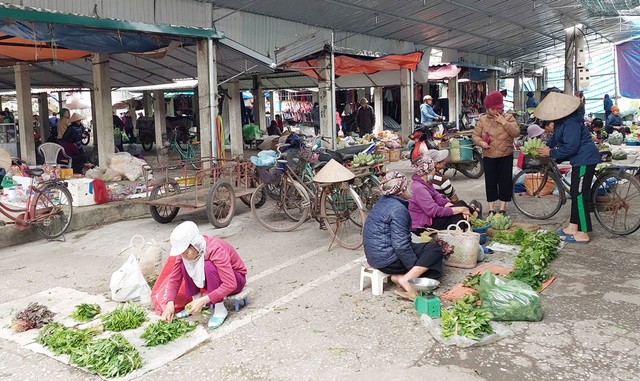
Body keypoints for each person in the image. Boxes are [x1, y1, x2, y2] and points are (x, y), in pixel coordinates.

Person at [362, 171, 445, 300]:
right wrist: (413, 268)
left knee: (426, 258)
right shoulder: (398, 209)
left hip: (375, 258)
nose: (410, 188)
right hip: (387, 260)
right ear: (401, 190)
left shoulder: (382, 203)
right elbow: (400, 246)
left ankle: (399, 277)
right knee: (434, 250)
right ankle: (407, 279)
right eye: (407, 186)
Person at [535, 92, 601, 244]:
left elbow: (571, 147)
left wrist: (551, 152)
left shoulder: (571, 122)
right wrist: (547, 145)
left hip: (585, 159)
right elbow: (556, 138)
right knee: (575, 192)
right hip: (578, 160)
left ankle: (583, 232)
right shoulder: (561, 122)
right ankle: (572, 226)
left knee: (580, 196)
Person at [161, 221, 247, 329]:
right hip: (216, 281)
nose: (184, 256)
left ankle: (220, 309)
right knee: (184, 264)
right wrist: (169, 304)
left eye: (186, 252)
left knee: (208, 266)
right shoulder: (184, 254)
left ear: (195, 244)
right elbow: (174, 279)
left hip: (236, 279)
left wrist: (204, 300)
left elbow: (230, 284)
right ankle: (194, 303)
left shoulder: (215, 249)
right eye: (181, 253)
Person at [472, 91, 520, 216]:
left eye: (498, 109)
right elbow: (475, 136)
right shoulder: (482, 120)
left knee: (505, 182)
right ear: (488, 108)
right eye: (493, 109)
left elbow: (515, 133)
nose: (495, 111)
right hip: (489, 155)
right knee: (491, 182)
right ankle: (491, 208)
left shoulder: (508, 117)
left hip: (506, 154)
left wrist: (503, 122)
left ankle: (503, 208)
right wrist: (481, 143)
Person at [408, 154, 479, 233]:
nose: (435, 171)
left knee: (460, 204)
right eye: (433, 168)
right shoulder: (419, 188)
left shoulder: (427, 182)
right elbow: (433, 211)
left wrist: (460, 208)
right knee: (457, 215)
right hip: (423, 224)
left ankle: (468, 224)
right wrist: (460, 210)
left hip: (431, 217)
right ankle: (461, 238)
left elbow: (440, 200)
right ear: (428, 171)